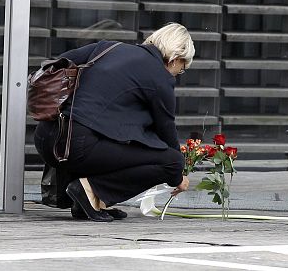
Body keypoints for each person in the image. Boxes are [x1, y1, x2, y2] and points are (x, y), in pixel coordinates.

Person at [33, 22, 194, 222]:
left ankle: (89, 203)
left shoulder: (108, 48)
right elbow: (166, 129)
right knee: (171, 161)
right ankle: (89, 191)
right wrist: (177, 175)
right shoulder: (160, 78)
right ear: (175, 58)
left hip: (46, 138)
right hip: (76, 147)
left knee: (109, 138)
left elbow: (61, 63)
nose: (178, 73)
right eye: (182, 68)